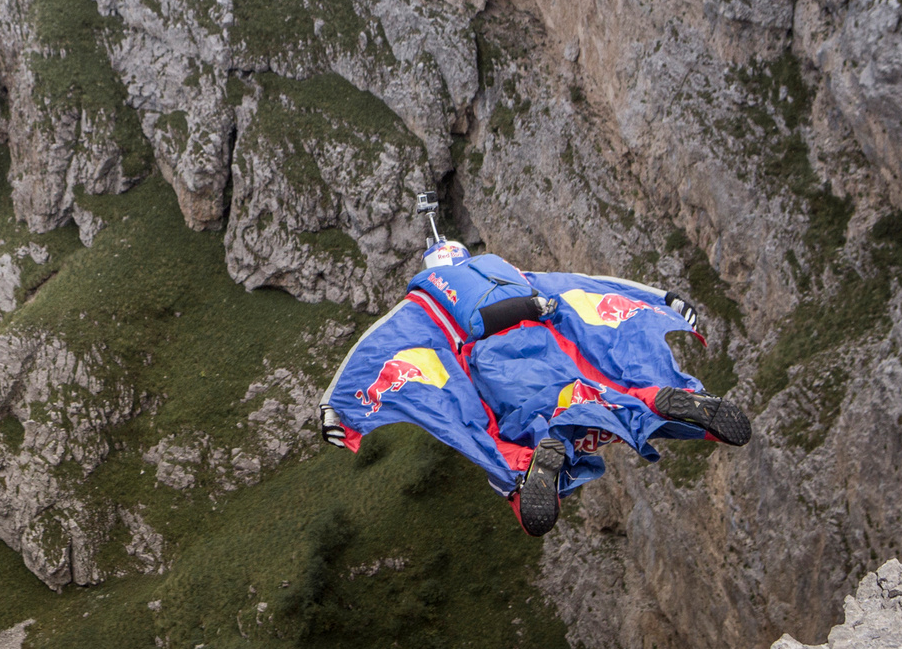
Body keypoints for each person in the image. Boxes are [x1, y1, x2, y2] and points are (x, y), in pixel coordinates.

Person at [319, 217, 752, 535]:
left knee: (499, 434)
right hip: (547, 346)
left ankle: (527, 472)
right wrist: (662, 299)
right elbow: (587, 283)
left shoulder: (422, 302)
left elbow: (375, 345)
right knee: (608, 395)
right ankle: (661, 398)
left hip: (495, 362)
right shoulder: (507, 271)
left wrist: (336, 408)